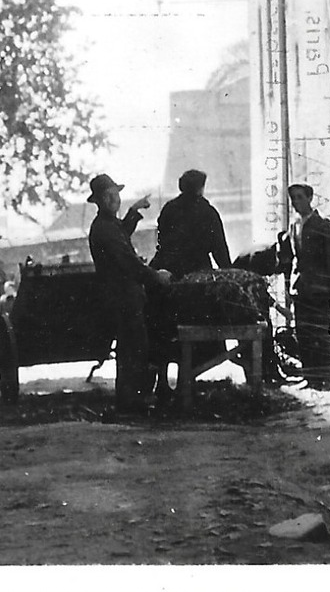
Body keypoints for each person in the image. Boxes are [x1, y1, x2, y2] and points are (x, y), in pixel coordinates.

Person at [86, 173, 172, 414]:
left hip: (124, 296)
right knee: (133, 348)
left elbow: (122, 233)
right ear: (100, 201)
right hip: (122, 297)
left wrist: (134, 210)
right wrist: (156, 276)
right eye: (109, 196)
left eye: (116, 194)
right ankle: (130, 402)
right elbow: (127, 261)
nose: (115, 199)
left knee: (133, 347)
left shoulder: (108, 224)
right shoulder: (104, 228)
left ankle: (132, 400)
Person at [278, 183, 330, 391]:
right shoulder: (294, 226)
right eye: (293, 199)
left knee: (320, 333)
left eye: (299, 197)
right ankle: (310, 377)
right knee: (303, 334)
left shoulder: (323, 225)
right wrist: (289, 289)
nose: (296, 202)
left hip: (319, 289)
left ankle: (327, 378)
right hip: (301, 289)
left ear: (309, 198)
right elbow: (289, 260)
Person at [149, 169, 233, 278]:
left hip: (170, 271)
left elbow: (162, 240)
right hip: (198, 272)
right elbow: (219, 248)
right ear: (200, 188)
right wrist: (229, 272)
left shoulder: (169, 209)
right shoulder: (208, 212)